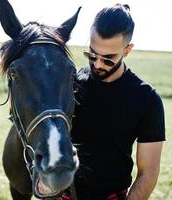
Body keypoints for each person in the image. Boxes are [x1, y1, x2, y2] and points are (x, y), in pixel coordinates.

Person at [58, 3, 165, 200]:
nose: (97, 63)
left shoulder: (147, 99)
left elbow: (148, 173)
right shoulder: (70, 84)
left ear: (127, 50)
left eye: (108, 58)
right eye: (91, 53)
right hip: (62, 195)